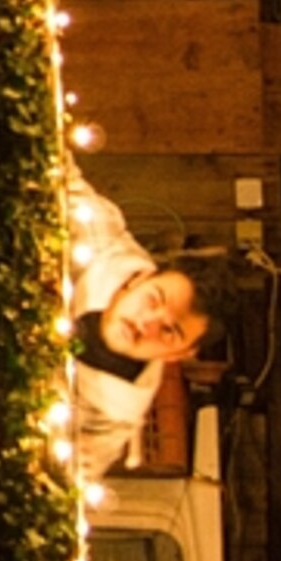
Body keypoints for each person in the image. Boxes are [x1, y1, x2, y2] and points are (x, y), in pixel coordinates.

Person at [66, 164, 217, 480]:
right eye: (154, 298)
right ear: (144, 277)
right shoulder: (94, 230)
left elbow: (58, 487)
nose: (145, 323)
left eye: (169, 331)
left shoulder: (109, 421)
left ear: (178, 355)